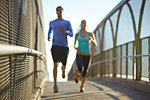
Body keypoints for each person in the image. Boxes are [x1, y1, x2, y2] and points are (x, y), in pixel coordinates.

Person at [48, 6, 73, 93]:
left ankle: (63, 70)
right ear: (56, 12)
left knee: (64, 64)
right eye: (58, 11)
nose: (59, 12)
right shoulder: (52, 23)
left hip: (64, 47)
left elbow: (71, 34)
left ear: (62, 12)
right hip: (55, 46)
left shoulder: (66, 23)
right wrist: (49, 36)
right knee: (55, 64)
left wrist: (66, 32)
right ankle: (55, 85)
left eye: (60, 10)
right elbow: (49, 31)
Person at [74, 20, 97, 92]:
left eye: (85, 24)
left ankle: (82, 86)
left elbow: (95, 44)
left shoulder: (90, 34)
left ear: (86, 25)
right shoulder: (77, 34)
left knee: (85, 72)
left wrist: (91, 39)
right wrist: (75, 47)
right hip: (79, 54)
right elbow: (74, 44)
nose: (84, 25)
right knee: (80, 68)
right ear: (81, 25)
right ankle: (78, 75)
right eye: (82, 24)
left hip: (87, 54)